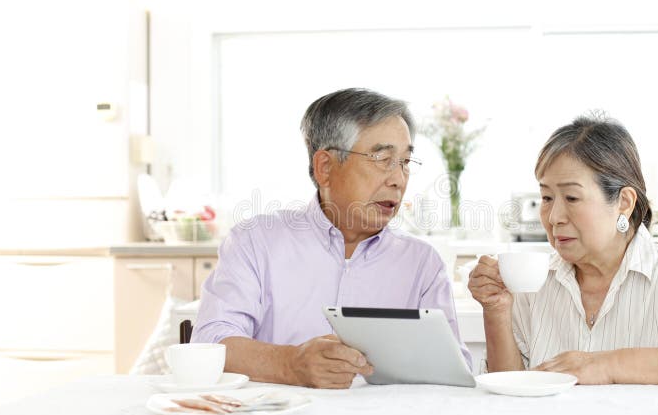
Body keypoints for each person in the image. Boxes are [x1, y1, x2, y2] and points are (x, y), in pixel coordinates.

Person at [468, 113, 658, 384]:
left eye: (572, 198)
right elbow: (508, 395)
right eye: (547, 198)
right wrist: (496, 310)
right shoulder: (533, 284)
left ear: (624, 202)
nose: (553, 217)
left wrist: (605, 365)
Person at [192, 88, 470, 388]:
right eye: (383, 159)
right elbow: (210, 343)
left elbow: (455, 372)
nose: (398, 179)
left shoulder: (421, 262)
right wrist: (290, 364)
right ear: (325, 167)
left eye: (404, 162)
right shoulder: (255, 241)